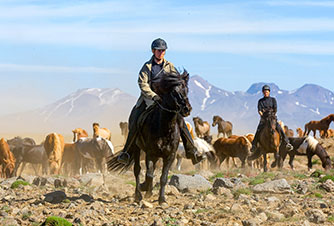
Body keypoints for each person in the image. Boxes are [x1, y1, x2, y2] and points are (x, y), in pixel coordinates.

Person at [117, 38, 203, 165]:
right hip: (148, 100)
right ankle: (126, 152)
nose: (161, 52)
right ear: (153, 51)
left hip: (166, 100)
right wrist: (153, 96)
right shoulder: (147, 67)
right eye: (159, 50)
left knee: (180, 120)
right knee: (135, 119)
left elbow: (176, 83)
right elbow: (142, 83)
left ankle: (191, 151)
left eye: (163, 50)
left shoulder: (170, 66)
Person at [250, 85, 293, 152]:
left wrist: (272, 115)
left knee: (279, 128)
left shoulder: (273, 100)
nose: (265, 93)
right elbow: (259, 110)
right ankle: (254, 145)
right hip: (264, 118)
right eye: (264, 92)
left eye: (267, 91)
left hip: (272, 117)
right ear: (262, 92)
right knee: (258, 129)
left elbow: (275, 109)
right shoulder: (260, 101)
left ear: (269, 92)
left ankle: (287, 143)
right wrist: (263, 115)